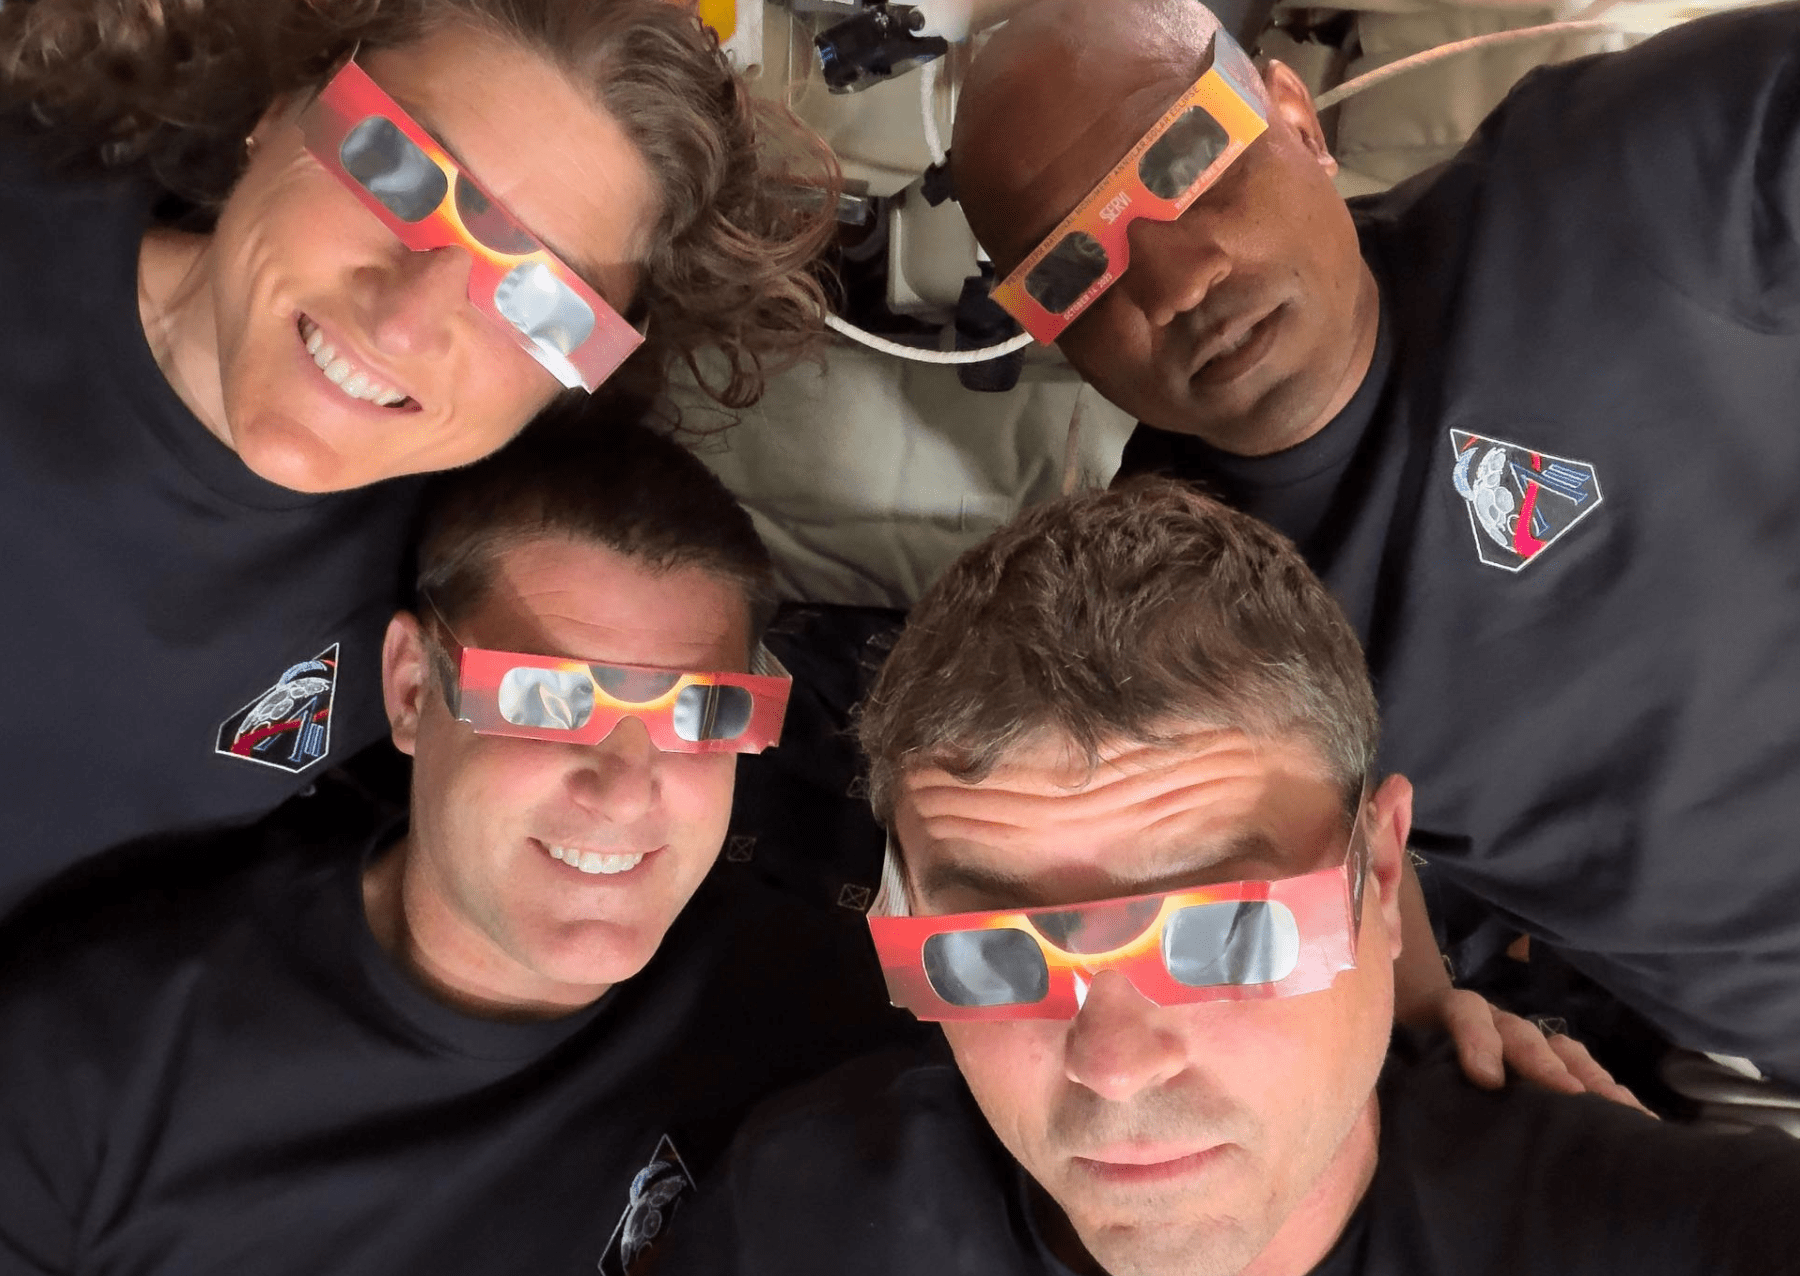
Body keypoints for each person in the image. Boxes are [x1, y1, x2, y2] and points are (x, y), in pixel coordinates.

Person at [946, 0, 1800, 1087]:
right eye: (1075, 269)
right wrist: (1430, 1006)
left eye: (1187, 159)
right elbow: (1329, 857)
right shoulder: (1176, 599)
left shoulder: (1612, 185)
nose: (1176, 280)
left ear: (1292, 113)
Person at [659, 480, 1800, 1276]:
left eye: (1228, 931)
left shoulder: (1672, 1230)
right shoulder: (800, 1215)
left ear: (1381, 869)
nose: (1111, 1064)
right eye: (993, 950)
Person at [0, 411, 916, 1276]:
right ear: (408, 689)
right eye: (547, 701)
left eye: (700, 713)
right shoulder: (94, 1053)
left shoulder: (847, 1045)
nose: (625, 785)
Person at [0, 0, 838, 902]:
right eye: (391, 170)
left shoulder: (462, 607)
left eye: (539, 299)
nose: (403, 321)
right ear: (280, 109)